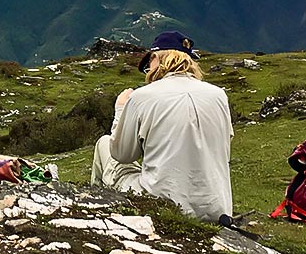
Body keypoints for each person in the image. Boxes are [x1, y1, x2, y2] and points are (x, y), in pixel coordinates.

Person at [90, 31, 234, 222]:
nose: (148, 72)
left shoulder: (142, 97)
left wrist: (120, 111)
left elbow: (122, 154)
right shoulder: (218, 95)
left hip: (162, 205)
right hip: (218, 210)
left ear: (156, 58)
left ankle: (95, 211)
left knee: (104, 143)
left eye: (148, 66)